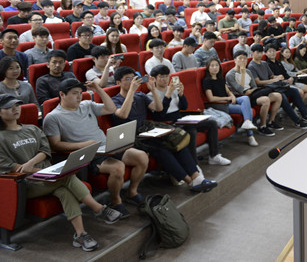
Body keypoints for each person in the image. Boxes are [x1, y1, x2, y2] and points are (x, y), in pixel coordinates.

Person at [0, 94, 122, 252]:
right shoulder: (2, 137)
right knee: (67, 176)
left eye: (17, 105)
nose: (15, 109)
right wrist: (32, 169)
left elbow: (44, 150)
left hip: (45, 175)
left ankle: (80, 234)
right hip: (26, 184)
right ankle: (99, 208)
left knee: (65, 191)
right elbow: (10, 166)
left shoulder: (32, 129)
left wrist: (32, 164)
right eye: (9, 107)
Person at [44, 79, 149, 218]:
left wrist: (98, 89)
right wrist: (84, 145)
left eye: (81, 93)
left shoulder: (86, 105)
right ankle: (116, 202)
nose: (79, 97)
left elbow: (111, 109)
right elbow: (55, 145)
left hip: (107, 147)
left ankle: (132, 192)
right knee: (118, 167)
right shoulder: (53, 117)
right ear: (62, 95)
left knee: (142, 156)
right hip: (89, 154)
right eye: (74, 93)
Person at [111, 67, 217, 192]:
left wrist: (153, 90)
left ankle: (197, 177)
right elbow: (123, 114)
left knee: (175, 143)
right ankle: (190, 182)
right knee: (162, 150)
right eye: (127, 79)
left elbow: (159, 108)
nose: (131, 82)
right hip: (132, 137)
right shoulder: (115, 100)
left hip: (148, 132)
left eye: (133, 79)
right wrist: (131, 92)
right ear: (118, 83)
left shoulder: (140, 96)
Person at [148, 65, 231, 166]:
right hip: (168, 123)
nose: (165, 79)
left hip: (180, 119)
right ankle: (193, 164)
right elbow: (160, 115)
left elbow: (184, 106)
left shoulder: (172, 89)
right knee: (191, 131)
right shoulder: (151, 95)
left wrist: (181, 94)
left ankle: (214, 156)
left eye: (167, 76)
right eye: (161, 77)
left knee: (212, 123)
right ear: (154, 79)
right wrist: (168, 95)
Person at [248, 44, 307, 129]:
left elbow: (271, 76)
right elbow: (258, 82)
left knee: (295, 91)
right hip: (264, 89)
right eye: (257, 53)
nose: (260, 55)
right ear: (252, 53)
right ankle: (297, 121)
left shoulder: (264, 63)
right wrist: (274, 80)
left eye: (261, 52)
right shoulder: (251, 66)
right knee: (282, 96)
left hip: (273, 86)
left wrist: (278, 77)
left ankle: (305, 115)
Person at [226, 51, 283, 139]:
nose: (243, 61)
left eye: (245, 59)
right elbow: (241, 90)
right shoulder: (230, 74)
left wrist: (250, 90)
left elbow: (254, 86)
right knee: (265, 100)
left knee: (278, 96)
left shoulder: (248, 71)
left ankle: (271, 121)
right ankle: (262, 126)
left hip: (253, 94)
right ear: (234, 60)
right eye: (240, 58)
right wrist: (242, 74)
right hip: (242, 99)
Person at [204, 58, 259, 147]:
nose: (215, 68)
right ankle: (250, 135)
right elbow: (211, 98)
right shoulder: (207, 81)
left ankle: (247, 122)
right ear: (208, 68)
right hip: (219, 105)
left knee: (245, 98)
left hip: (227, 101)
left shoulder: (220, 79)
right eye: (212, 66)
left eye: (217, 65)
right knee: (247, 109)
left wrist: (232, 96)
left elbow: (229, 91)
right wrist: (228, 98)